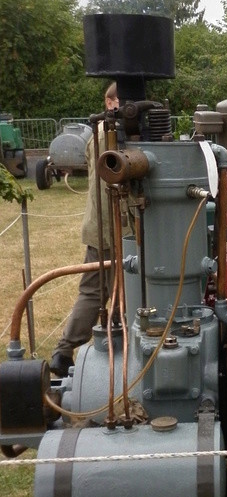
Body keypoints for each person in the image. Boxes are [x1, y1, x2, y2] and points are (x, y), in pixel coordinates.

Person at [49, 83, 121, 378]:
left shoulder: (97, 133)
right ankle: (114, 347)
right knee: (116, 293)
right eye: (120, 101)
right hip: (117, 227)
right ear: (109, 101)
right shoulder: (110, 135)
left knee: (93, 292)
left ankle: (64, 351)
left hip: (101, 226)